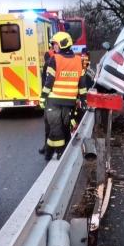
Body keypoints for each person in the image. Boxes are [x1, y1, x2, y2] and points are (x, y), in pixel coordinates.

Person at [40, 31, 87, 160]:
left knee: (56, 127)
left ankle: (61, 152)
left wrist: (43, 97)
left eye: (55, 44)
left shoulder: (54, 59)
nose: (53, 47)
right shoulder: (78, 60)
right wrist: (83, 100)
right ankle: (48, 152)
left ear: (62, 44)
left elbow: (49, 81)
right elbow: (82, 83)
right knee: (62, 126)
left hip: (54, 100)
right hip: (70, 101)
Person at [38, 39, 60, 155]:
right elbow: (46, 79)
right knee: (48, 123)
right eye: (54, 45)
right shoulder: (49, 56)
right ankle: (47, 146)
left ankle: (55, 148)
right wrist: (44, 94)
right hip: (52, 96)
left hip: (61, 95)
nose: (55, 47)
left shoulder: (66, 58)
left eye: (57, 44)